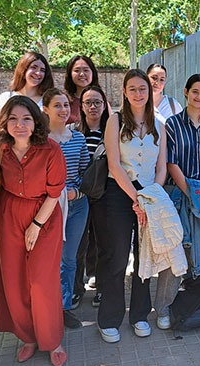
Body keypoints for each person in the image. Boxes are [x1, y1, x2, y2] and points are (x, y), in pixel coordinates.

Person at [0, 95, 68, 366]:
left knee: (41, 281)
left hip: (43, 216)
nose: (19, 125)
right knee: (14, 280)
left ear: (36, 121)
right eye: (13, 119)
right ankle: (28, 338)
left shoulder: (50, 150)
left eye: (26, 119)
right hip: (9, 214)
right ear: (5, 122)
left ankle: (52, 340)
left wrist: (36, 225)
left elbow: (55, 193)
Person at [93, 69, 167, 343]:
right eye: (132, 88)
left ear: (150, 92)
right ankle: (110, 318)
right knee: (118, 257)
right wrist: (136, 199)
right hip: (118, 194)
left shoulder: (160, 124)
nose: (138, 93)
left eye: (143, 88)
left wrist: (150, 197)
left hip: (149, 197)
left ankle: (139, 315)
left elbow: (162, 166)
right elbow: (114, 164)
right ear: (124, 91)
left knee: (145, 259)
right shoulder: (115, 121)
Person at [161, 73, 200, 329]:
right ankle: (164, 308)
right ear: (186, 92)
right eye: (195, 92)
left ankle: (194, 305)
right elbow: (171, 161)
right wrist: (191, 192)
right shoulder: (172, 124)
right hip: (180, 195)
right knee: (176, 251)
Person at [42, 88, 90, 329]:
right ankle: (45, 308)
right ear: (45, 109)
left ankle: (64, 307)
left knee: (69, 258)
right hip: (49, 207)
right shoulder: (40, 140)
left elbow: (86, 174)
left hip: (77, 205)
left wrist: (76, 192)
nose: (63, 110)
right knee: (49, 259)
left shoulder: (78, 138)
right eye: (57, 105)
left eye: (66, 105)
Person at [73, 85, 111, 310]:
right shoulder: (74, 131)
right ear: (82, 106)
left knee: (104, 244)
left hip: (105, 195)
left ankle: (102, 287)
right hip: (78, 196)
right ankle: (77, 288)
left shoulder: (112, 130)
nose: (93, 106)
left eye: (97, 102)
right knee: (78, 245)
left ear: (105, 105)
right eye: (88, 102)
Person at [64, 55, 112, 125]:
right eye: (77, 70)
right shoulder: (64, 100)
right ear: (70, 74)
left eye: (86, 70)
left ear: (93, 73)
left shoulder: (101, 102)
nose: (82, 74)